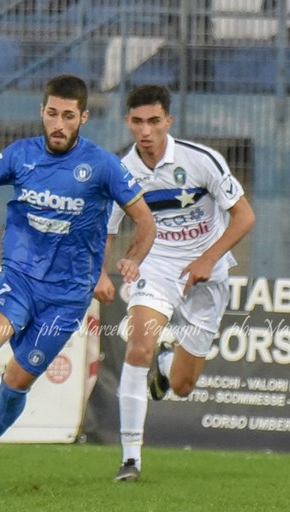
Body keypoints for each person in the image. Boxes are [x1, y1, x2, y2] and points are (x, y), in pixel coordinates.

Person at [0, 74, 156, 471]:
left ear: (84, 117)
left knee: (15, 381)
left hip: (67, 296)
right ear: (41, 112)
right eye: (51, 114)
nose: (58, 124)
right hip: (20, 278)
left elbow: (145, 221)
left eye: (67, 116)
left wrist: (132, 258)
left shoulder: (102, 165)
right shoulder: (20, 155)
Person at [96, 84, 255, 482]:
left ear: (168, 120)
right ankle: (130, 459)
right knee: (138, 346)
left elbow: (244, 217)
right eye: (137, 122)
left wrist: (208, 258)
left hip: (207, 272)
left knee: (183, 386)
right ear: (127, 122)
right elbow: (107, 230)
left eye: (154, 121)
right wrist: (99, 272)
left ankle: (167, 365)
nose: (146, 130)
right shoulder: (123, 172)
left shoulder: (201, 160)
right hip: (157, 267)